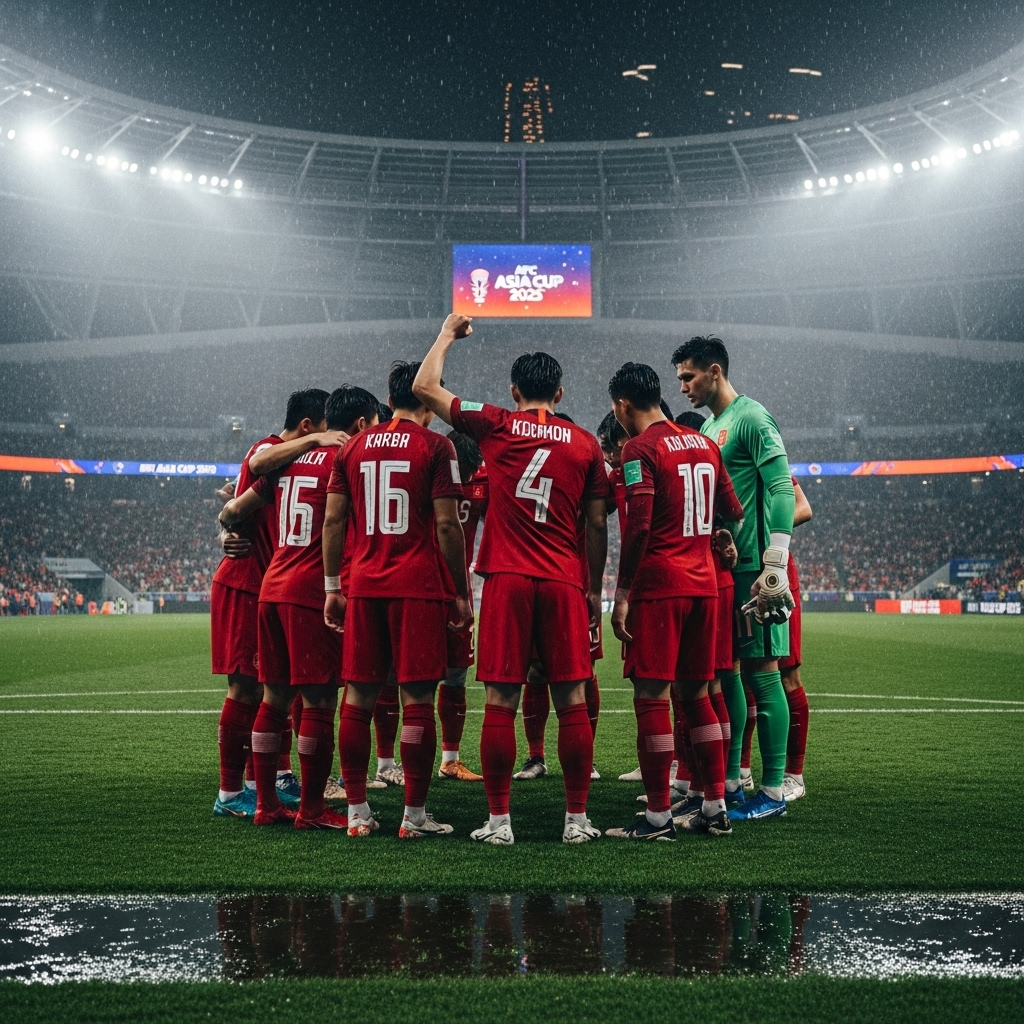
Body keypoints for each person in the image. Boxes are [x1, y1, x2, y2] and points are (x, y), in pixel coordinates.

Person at [413, 314, 609, 845]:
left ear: (514, 390)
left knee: (501, 699)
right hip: (564, 579)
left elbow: (424, 388)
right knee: (571, 698)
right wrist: (593, 588)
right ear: (561, 391)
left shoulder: (495, 422)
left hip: (508, 576)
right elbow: (595, 522)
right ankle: (576, 821)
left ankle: (499, 823)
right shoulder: (586, 443)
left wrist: (448, 334)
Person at [325, 361, 471, 839]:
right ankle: (413, 815)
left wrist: (332, 586)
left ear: (388, 401)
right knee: (417, 701)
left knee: (358, 698)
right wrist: (459, 592)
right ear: (429, 399)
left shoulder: (353, 448)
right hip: (417, 586)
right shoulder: (438, 445)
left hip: (365, 584)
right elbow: (448, 526)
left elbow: (332, 522)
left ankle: (356, 811)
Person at [217, 386, 367, 830]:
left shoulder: (288, 461)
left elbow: (234, 508)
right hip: (309, 590)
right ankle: (312, 808)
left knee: (274, 699)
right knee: (319, 701)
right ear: (359, 425)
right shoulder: (345, 459)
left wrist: (225, 532)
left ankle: (265, 804)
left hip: (272, 586)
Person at [604, 363, 743, 840]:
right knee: (699, 695)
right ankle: (715, 806)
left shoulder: (639, 449)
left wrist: (622, 595)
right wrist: (717, 535)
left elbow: (640, 526)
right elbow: (732, 509)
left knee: (651, 697)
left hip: (662, 586)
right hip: (705, 586)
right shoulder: (705, 442)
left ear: (623, 405)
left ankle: (659, 816)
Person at [672, 336, 796, 822]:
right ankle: (732, 783)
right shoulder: (712, 425)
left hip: (754, 571)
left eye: (689, 376)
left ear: (715, 371)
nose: (683, 386)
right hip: (724, 569)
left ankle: (774, 791)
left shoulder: (752, 417)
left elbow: (783, 486)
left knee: (764, 676)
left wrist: (775, 562)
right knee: (731, 679)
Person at [437, 429, 487, 782]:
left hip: (458, 589)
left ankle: (450, 758)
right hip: (420, 585)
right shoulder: (428, 469)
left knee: (457, 673)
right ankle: (385, 763)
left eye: (473, 469)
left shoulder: (484, 479)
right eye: (464, 469)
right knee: (399, 676)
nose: (468, 477)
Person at [779, 476, 812, 801]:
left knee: (787, 674)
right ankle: (742, 770)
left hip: (776, 573)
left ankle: (794, 775)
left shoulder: (761, 442)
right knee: (743, 676)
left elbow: (803, 508)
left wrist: (767, 530)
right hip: (740, 568)